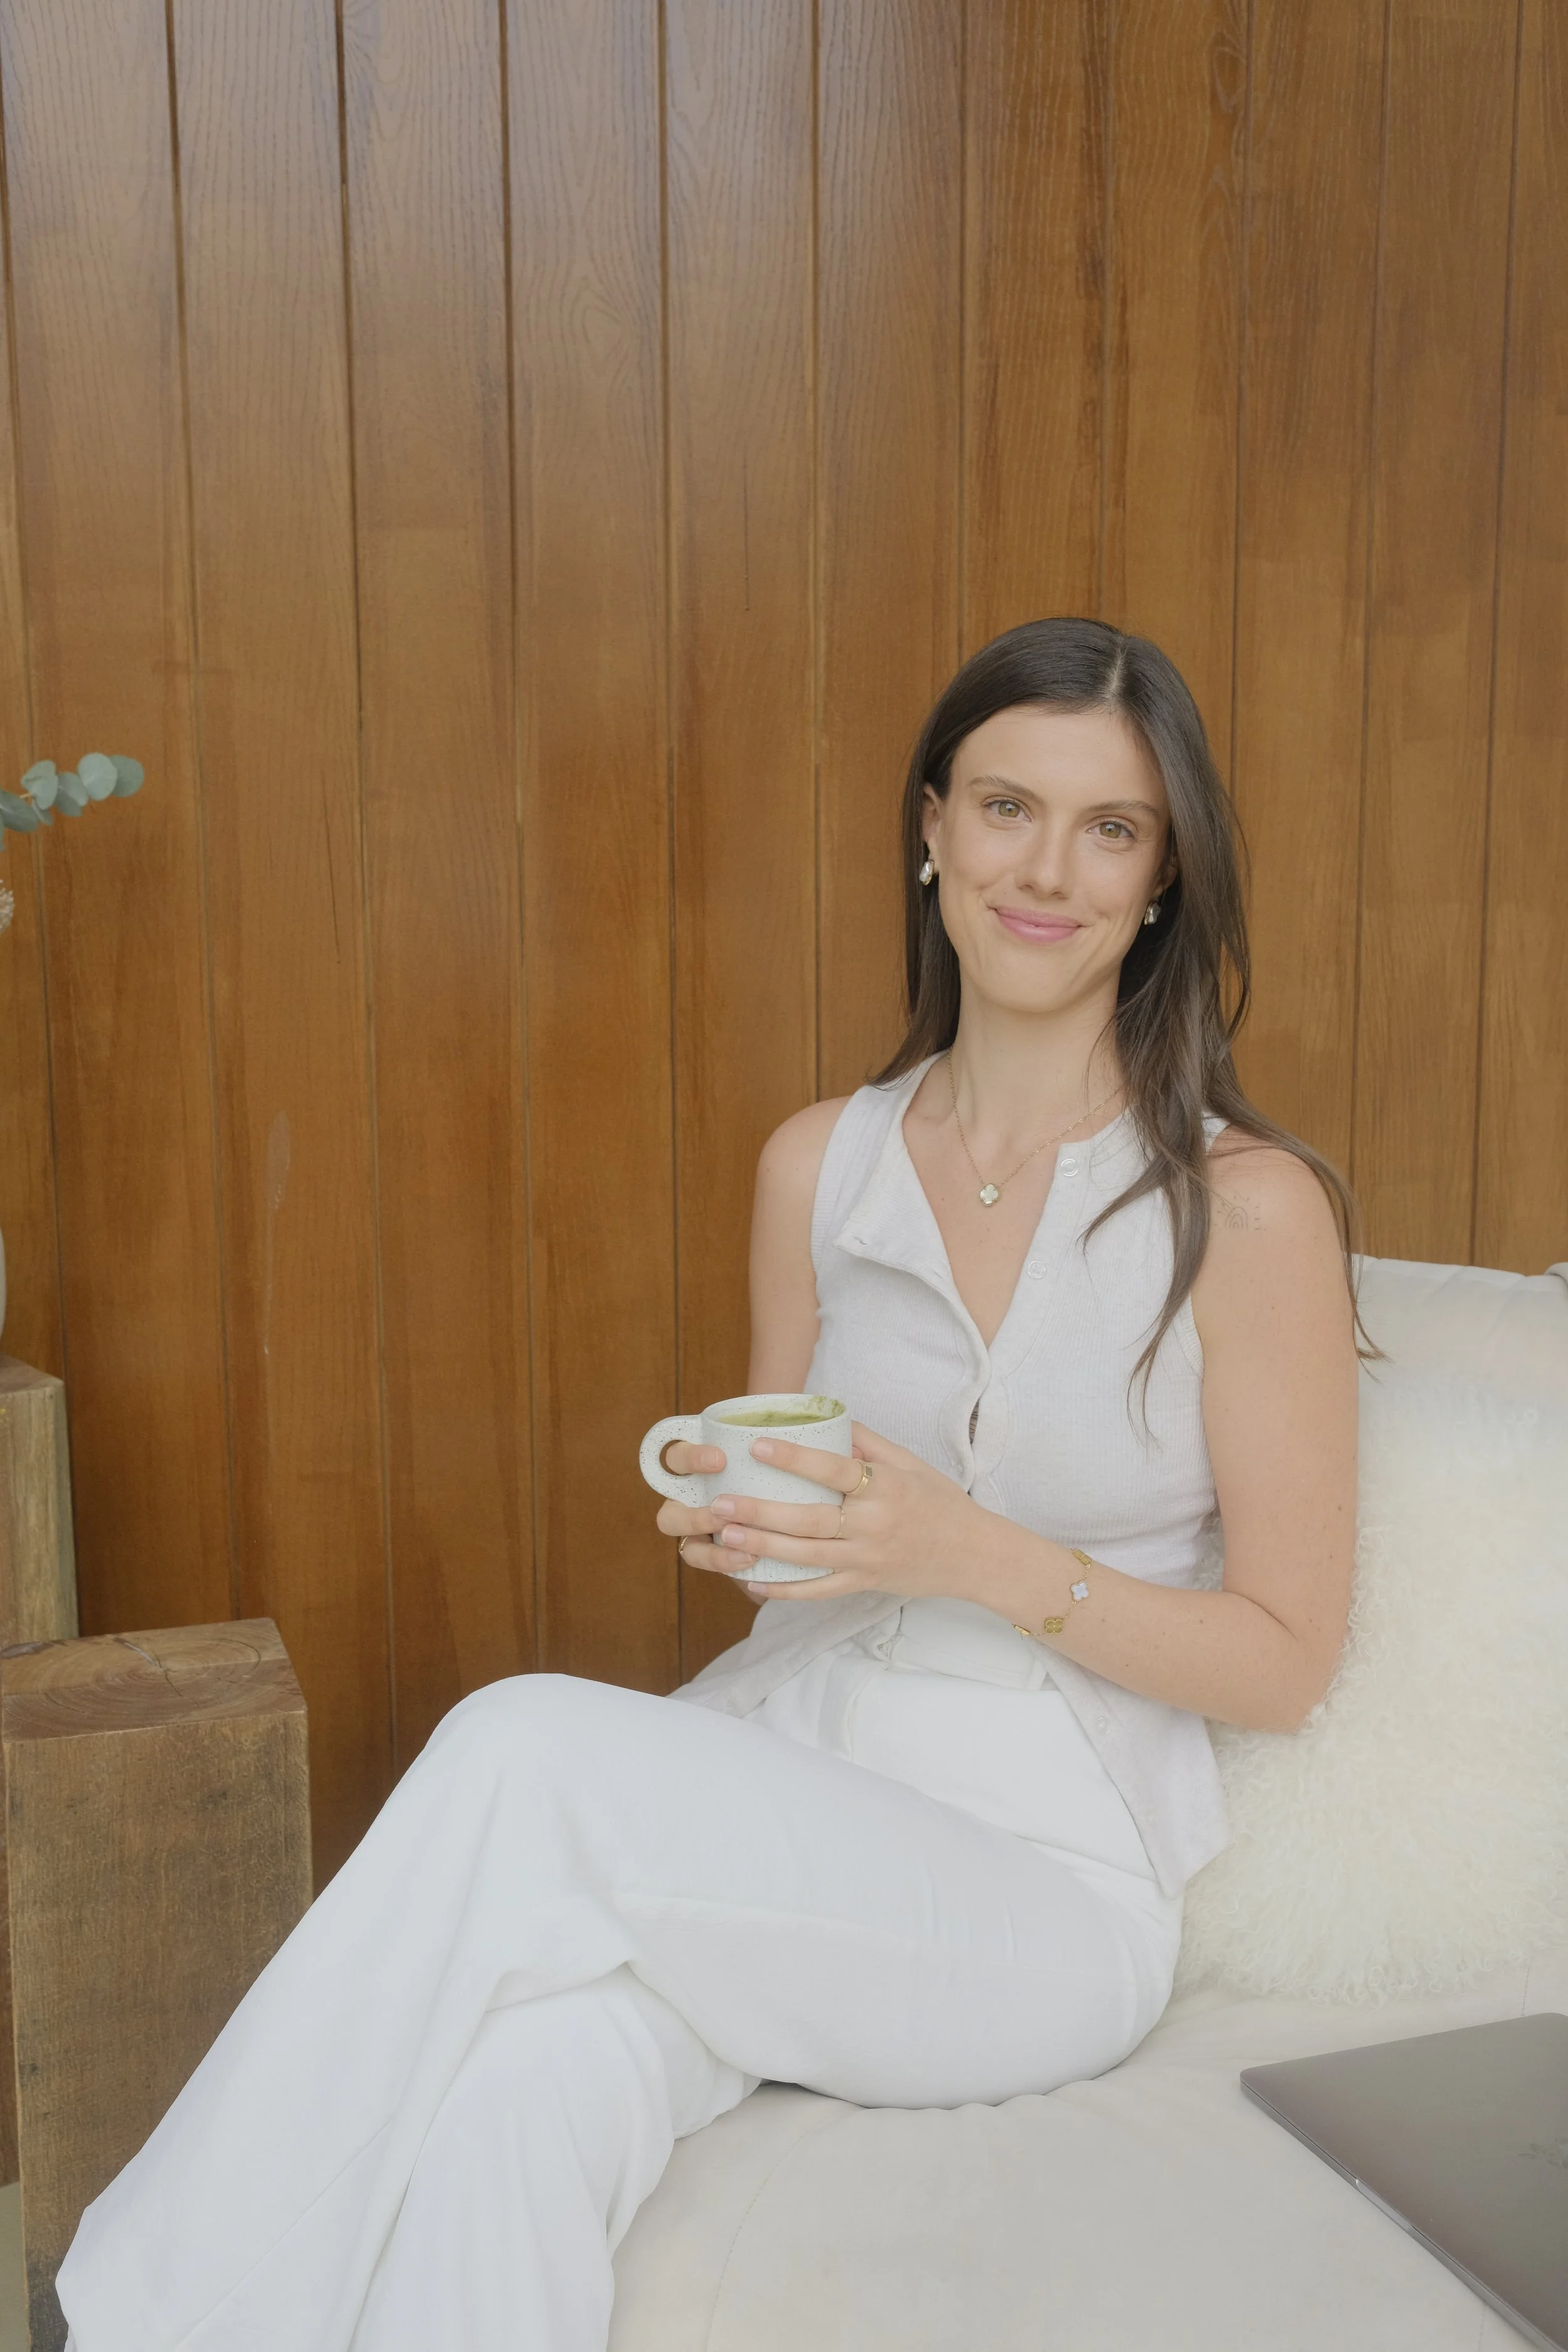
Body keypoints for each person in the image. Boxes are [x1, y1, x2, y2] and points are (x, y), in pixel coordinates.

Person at [59, 617, 1359, 2352]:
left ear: (1160, 877)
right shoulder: (816, 1166)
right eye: (1004, 807)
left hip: (1039, 1877)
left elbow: (1284, 1658)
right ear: (931, 828)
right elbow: (793, 1573)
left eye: (1107, 827)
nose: (1045, 867)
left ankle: (133, 2319)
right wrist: (768, 1532)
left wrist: (966, 1550)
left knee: (520, 1741)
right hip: (786, 1768)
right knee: (527, 2079)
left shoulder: (1245, 1209)